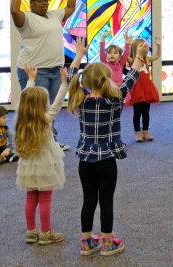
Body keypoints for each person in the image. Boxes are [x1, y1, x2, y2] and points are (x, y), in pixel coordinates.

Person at [67, 37, 148, 256]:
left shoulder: (79, 99)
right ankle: (107, 242)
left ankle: (86, 242)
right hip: (107, 161)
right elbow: (132, 77)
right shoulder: (115, 99)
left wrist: (79, 55)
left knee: (88, 201)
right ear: (106, 80)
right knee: (106, 201)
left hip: (85, 161)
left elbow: (69, 77)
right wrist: (139, 56)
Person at [11, 0, 76, 151]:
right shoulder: (26, 19)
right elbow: (14, 9)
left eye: (46, 1)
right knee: (35, 110)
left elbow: (70, 7)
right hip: (34, 72)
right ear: (31, 3)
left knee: (51, 110)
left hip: (55, 71)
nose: (44, 4)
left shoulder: (54, 15)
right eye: (40, 1)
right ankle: (30, 142)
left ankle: (50, 142)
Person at [15, 64, 70, 246]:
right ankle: (46, 233)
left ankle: (31, 231)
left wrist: (31, 80)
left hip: (28, 165)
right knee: (45, 199)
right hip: (45, 164)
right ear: (42, 105)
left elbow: (26, 98)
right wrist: (64, 83)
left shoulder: (22, 120)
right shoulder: (46, 119)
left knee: (31, 199)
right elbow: (58, 102)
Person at [125, 37, 161, 142]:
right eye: (143, 46)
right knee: (137, 112)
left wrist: (158, 45)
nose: (146, 48)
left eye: (146, 46)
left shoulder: (147, 59)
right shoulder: (133, 60)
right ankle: (137, 133)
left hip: (147, 89)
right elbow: (126, 56)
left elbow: (158, 55)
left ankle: (145, 131)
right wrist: (128, 44)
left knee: (146, 112)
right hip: (137, 89)